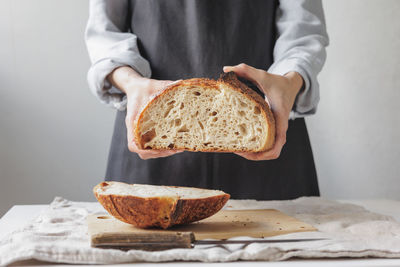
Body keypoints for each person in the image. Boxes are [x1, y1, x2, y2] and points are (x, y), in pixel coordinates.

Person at [85, 0, 329, 200]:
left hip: (268, 143)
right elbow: (105, 33)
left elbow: (303, 30)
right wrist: (131, 82)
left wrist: (289, 80)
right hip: (151, 142)